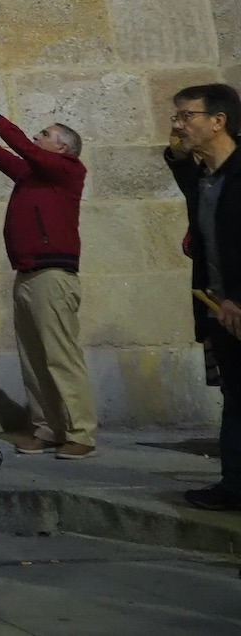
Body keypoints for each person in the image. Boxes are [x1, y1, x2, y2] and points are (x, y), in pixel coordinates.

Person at [0, 87, 95, 459]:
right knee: (34, 359)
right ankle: (48, 428)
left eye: (45, 134)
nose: (36, 138)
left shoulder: (67, 171)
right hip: (27, 274)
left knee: (60, 358)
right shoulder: (33, 175)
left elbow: (24, 149)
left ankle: (81, 432)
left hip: (54, 275)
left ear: (64, 148)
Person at [166, 83, 241, 512]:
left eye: (187, 115)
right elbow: (176, 161)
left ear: (219, 120)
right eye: (176, 116)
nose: (178, 125)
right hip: (219, 309)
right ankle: (234, 484)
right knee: (235, 397)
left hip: (236, 304)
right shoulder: (204, 178)